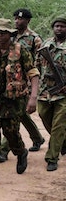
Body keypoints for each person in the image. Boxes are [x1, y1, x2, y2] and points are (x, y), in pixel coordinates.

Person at [0, 18, 39, 187]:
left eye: (3, 32)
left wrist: (33, 98)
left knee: (11, 135)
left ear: (10, 34)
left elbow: (33, 73)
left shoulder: (21, 51)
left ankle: (21, 152)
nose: (0, 35)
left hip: (13, 103)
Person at [0, 8, 44, 161]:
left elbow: (40, 62)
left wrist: (35, 85)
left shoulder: (34, 38)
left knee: (14, 114)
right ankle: (37, 138)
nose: (18, 21)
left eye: (21, 19)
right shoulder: (10, 36)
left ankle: (4, 150)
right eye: (16, 19)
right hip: (11, 80)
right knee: (21, 113)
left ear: (28, 21)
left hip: (26, 81)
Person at [36, 16, 66, 171]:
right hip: (45, 91)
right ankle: (63, 142)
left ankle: (52, 157)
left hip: (63, 93)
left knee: (58, 125)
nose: (59, 29)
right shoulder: (46, 44)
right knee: (43, 115)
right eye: (56, 26)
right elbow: (36, 65)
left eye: (62, 26)